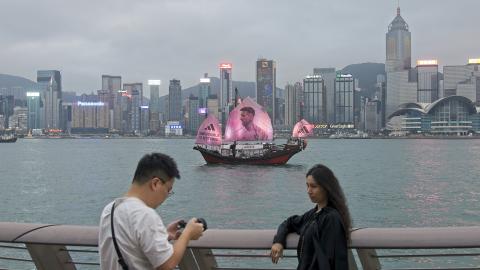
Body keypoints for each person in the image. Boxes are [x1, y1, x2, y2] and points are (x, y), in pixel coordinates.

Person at [99, 153, 205, 270]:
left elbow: (131, 246)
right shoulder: (145, 215)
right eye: (168, 190)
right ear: (155, 183)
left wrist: (165, 235)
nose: (166, 196)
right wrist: (188, 233)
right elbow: (167, 264)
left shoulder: (110, 209)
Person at [270, 164, 352, 270]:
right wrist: (278, 242)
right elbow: (289, 222)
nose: (308, 191)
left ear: (326, 188)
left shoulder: (332, 219)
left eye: (313, 186)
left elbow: (328, 260)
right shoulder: (313, 214)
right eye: (307, 186)